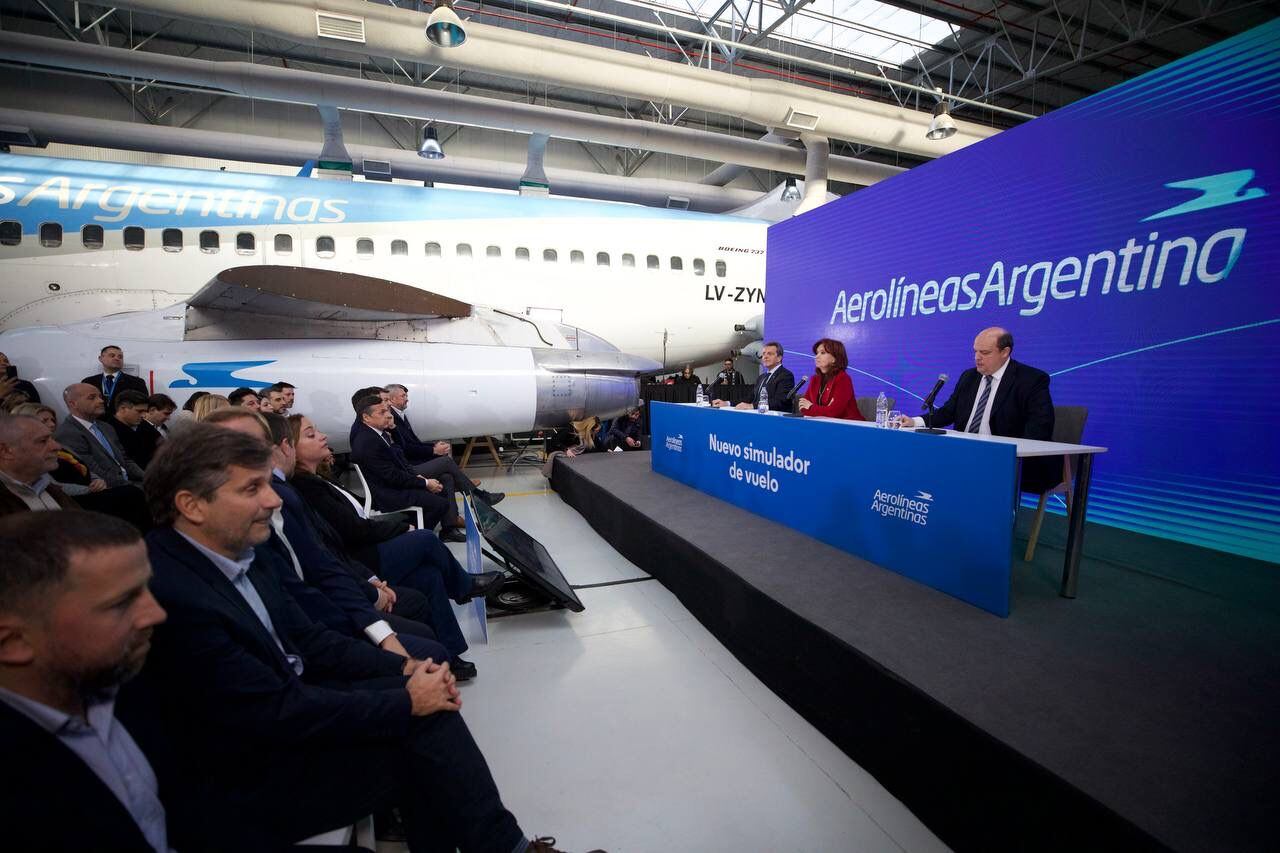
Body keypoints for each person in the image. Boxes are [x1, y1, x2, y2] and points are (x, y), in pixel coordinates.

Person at [137, 425, 571, 853]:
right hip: (241, 777)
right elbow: (272, 711)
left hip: (285, 714)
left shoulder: (237, 556)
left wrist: (404, 669)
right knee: (425, 732)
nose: (272, 500)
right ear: (191, 505)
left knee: (428, 707)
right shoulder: (175, 594)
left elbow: (311, 639)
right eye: (252, 490)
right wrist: (407, 699)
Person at [0, 511, 171, 852]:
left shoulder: (124, 679)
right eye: (122, 603)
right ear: (14, 642)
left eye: (146, 588)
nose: (157, 614)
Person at [289, 414, 504, 677]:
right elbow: (353, 530)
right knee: (424, 539)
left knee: (430, 576)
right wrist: (401, 527)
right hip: (362, 557)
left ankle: (450, 654)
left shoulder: (321, 479)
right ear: (288, 448)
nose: (323, 436)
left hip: (365, 545)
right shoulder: (306, 487)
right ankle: (464, 586)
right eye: (311, 434)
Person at [897, 327, 1058, 491]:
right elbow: (948, 412)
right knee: (921, 462)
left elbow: (1040, 425)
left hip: (1001, 456)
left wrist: (1010, 455)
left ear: (1005, 352)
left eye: (985, 352)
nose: (977, 358)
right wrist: (915, 421)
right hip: (964, 451)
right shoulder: (969, 376)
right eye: (975, 351)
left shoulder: (1031, 379)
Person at [10, 404, 153, 529]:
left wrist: (97, 480)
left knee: (132, 495)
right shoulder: (29, 452)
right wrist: (88, 489)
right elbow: (50, 484)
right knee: (130, 494)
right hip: (75, 498)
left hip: (92, 489)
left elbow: (85, 465)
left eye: (52, 419)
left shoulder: (60, 445)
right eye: (45, 420)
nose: (52, 424)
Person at [350, 395, 460, 541]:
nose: (388, 415)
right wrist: (424, 483)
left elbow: (399, 461)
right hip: (388, 493)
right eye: (381, 413)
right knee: (439, 503)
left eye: (387, 411)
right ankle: (415, 538)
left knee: (441, 491)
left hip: (394, 485)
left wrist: (418, 478)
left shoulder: (378, 434)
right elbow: (391, 476)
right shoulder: (368, 442)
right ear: (366, 417)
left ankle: (415, 530)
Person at [385, 383, 505, 506]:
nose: (407, 398)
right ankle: (475, 493)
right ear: (392, 399)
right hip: (408, 468)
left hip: (410, 463)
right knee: (445, 461)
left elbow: (413, 443)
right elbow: (406, 448)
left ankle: (451, 519)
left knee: (447, 477)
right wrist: (434, 451)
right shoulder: (392, 419)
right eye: (403, 396)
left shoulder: (399, 416)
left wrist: (434, 447)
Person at [54, 383, 146, 487]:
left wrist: (148, 478)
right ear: (73, 403)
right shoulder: (68, 434)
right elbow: (93, 472)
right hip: (111, 490)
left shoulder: (106, 427)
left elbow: (124, 460)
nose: (101, 401)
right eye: (92, 397)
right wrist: (133, 487)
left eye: (100, 397)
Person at [0, 413, 78, 515]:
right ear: (6, 451)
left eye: (52, 439)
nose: (57, 446)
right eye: (43, 441)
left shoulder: (48, 487)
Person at [716, 341, 795, 411]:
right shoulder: (762, 377)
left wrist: (752, 406)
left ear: (779, 358)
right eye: (764, 353)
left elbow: (780, 401)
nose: (765, 357)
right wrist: (727, 403)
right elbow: (750, 398)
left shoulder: (786, 375)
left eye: (769, 354)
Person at [798, 338, 864, 420]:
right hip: (823, 424)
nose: (816, 356)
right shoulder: (814, 379)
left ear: (834, 358)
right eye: (817, 353)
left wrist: (811, 407)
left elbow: (835, 412)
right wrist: (825, 410)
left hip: (849, 426)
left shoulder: (843, 378)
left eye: (822, 353)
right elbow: (803, 407)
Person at [81, 345, 149, 413]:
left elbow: (143, 408)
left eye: (120, 357)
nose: (117, 358)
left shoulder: (137, 382)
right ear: (101, 358)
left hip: (124, 423)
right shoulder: (88, 382)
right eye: (112, 355)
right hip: (95, 421)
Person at [109, 390, 162, 469]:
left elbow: (162, 446)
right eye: (140, 411)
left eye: (145, 411)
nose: (144, 415)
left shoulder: (145, 426)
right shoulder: (108, 430)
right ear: (123, 408)